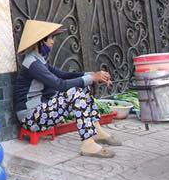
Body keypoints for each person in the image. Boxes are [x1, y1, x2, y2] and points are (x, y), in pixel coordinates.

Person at [13, 20, 119, 158]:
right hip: (30, 118)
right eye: (50, 38)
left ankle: (97, 131)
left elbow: (63, 75)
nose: (53, 41)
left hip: (40, 112)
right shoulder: (32, 63)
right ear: (40, 41)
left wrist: (92, 75)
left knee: (83, 88)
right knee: (75, 92)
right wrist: (92, 78)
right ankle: (88, 144)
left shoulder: (38, 60)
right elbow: (60, 84)